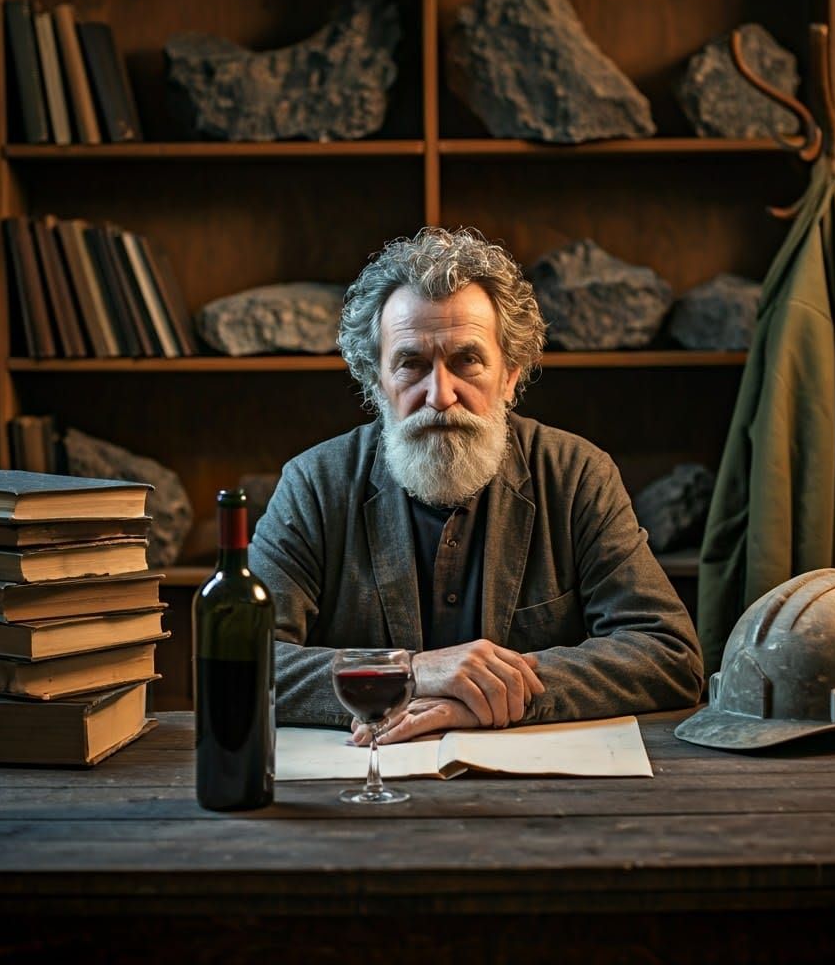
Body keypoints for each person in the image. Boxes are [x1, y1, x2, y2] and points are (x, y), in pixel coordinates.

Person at [249, 226, 704, 744]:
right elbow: (243, 663)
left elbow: (668, 654)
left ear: (510, 373)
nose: (440, 395)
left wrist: (486, 698)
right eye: (411, 364)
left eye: (467, 360)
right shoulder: (314, 485)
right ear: (376, 382)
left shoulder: (577, 475)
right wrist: (413, 673)